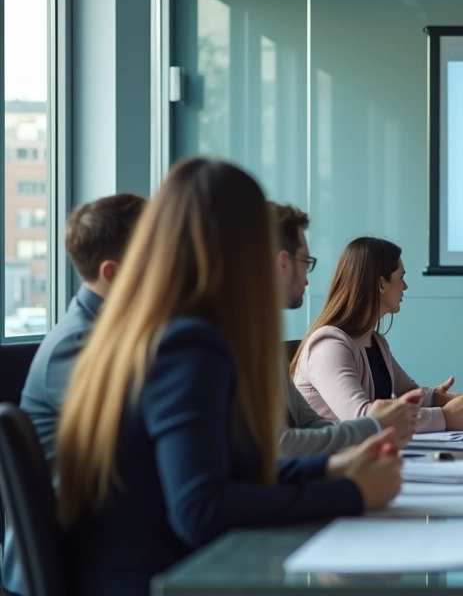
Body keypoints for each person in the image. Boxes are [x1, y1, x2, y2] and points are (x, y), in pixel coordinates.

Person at [55, 158, 403, 595]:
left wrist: (330, 468)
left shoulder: (153, 329)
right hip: (159, 580)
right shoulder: (188, 345)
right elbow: (201, 508)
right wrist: (351, 493)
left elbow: (226, 472)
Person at [2, 193, 145, 596]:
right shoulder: (79, 346)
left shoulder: (114, 335)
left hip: (107, 535)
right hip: (78, 556)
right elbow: (144, 443)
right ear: (114, 273)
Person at [291, 237, 463, 430]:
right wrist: (445, 417)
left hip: (363, 458)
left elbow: (408, 393)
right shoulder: (328, 346)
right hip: (329, 462)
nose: (405, 286)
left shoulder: (376, 342)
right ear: (381, 284)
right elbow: (363, 418)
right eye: (401, 277)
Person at [271, 203, 421, 456]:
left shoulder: (261, 345)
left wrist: (441, 399)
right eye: (305, 262)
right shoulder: (328, 344)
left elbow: (311, 427)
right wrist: (379, 425)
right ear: (283, 263)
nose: (308, 279)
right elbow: (279, 445)